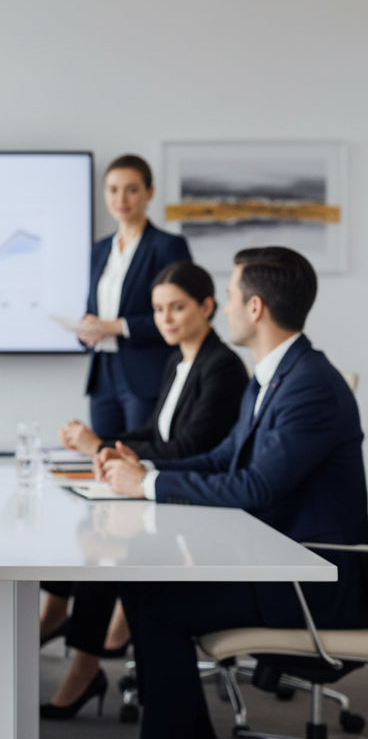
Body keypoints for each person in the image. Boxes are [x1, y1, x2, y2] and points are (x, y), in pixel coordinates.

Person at [98, 247, 367, 739]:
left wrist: (150, 485)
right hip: (278, 560)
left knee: (156, 603)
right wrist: (146, 468)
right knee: (141, 588)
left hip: (313, 578)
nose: (224, 306)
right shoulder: (273, 376)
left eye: (229, 296)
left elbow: (257, 486)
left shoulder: (309, 386)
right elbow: (225, 457)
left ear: (256, 308)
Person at [38, 260, 248, 719]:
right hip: (172, 491)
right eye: (157, 310)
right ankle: (81, 656)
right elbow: (155, 435)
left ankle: (83, 667)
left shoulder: (223, 367)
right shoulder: (177, 361)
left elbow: (194, 447)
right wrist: (107, 447)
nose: (166, 319)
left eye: (177, 307)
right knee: (92, 525)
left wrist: (105, 446)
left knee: (106, 545)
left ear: (207, 307)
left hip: (196, 504)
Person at [79, 155, 191, 438]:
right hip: (103, 373)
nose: (121, 198)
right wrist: (86, 329)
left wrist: (115, 326)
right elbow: (92, 307)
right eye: (113, 189)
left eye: (132, 189)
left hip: (146, 375)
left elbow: (184, 318)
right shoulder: (100, 249)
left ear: (149, 193)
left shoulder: (168, 247)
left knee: (138, 459)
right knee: (102, 458)